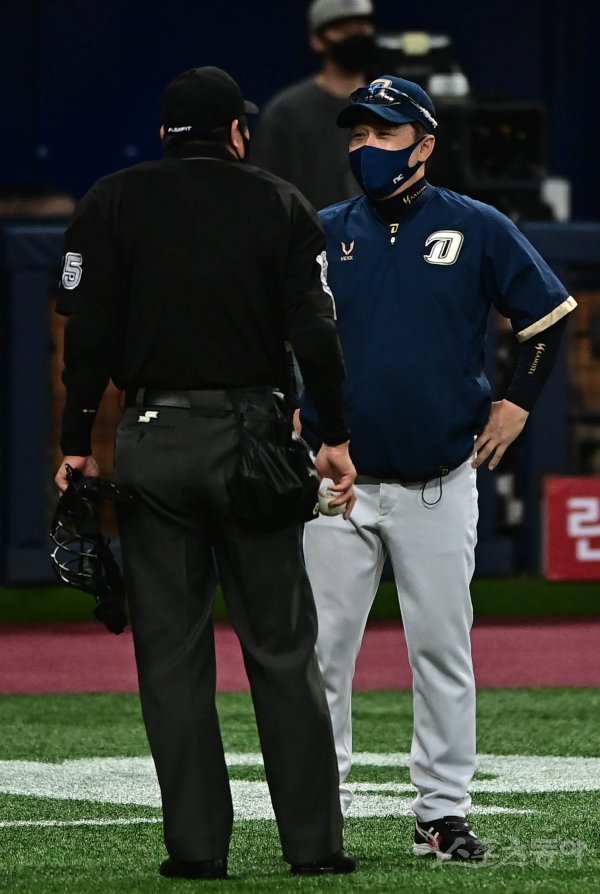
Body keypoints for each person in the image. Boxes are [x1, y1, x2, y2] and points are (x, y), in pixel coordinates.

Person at [53, 65, 358, 880]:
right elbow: (317, 336)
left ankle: (195, 849)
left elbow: (87, 335)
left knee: (171, 657)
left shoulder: (112, 201)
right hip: (256, 439)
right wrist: (334, 435)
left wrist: (76, 442)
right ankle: (314, 847)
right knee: (282, 649)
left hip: (153, 440)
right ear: (236, 133)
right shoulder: (281, 202)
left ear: (164, 135)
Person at [298, 74, 576, 861]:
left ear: (424, 143)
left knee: (443, 652)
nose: (366, 148)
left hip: (438, 481)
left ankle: (442, 813)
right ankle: (320, 810)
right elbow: (277, 330)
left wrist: (519, 402)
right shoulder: (320, 231)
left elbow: (549, 316)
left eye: (383, 134)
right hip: (337, 487)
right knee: (321, 657)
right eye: (358, 134)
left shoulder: (477, 224)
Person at [249, 0, 377, 209]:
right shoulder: (286, 112)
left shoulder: (395, 106)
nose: (355, 36)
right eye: (343, 29)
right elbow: (264, 194)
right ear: (317, 40)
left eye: (362, 27)